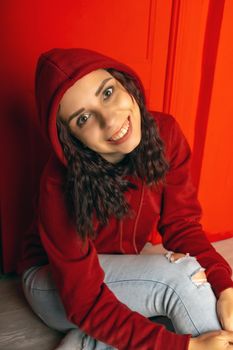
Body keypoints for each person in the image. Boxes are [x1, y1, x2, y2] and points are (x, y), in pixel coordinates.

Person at [18, 48, 233, 350]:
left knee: (202, 289)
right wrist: (187, 348)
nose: (109, 120)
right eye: (83, 118)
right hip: (54, 284)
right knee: (182, 280)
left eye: (107, 93)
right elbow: (85, 301)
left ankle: (87, 342)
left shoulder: (166, 134)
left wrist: (225, 286)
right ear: (69, 138)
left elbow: (182, 226)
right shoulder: (58, 183)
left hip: (116, 271)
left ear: (125, 84)